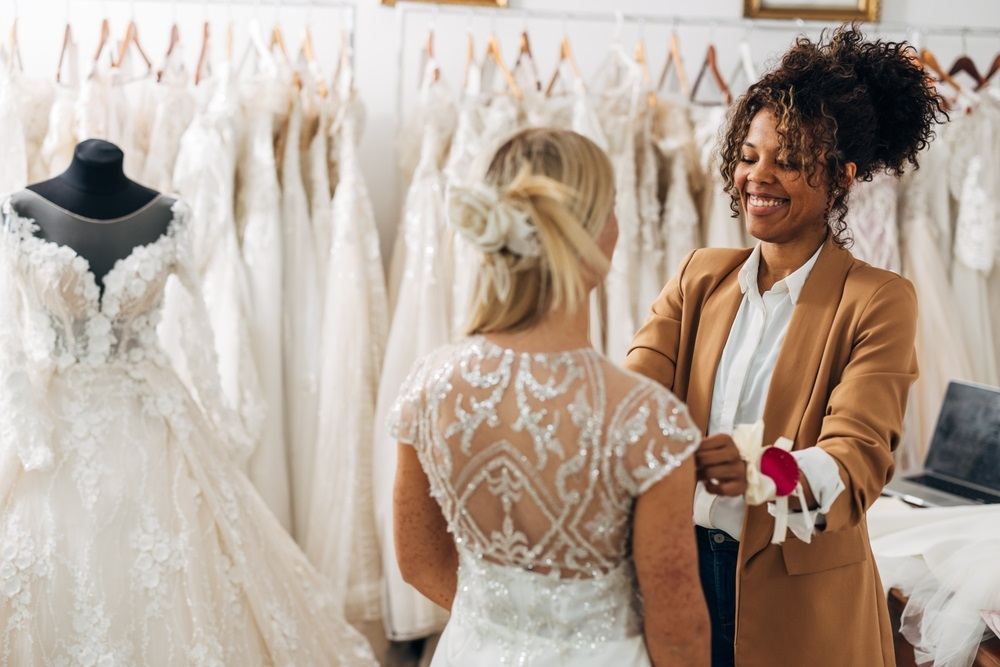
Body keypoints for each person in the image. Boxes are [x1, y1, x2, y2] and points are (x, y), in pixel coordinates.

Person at [624, 25, 948, 667]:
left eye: (790, 160)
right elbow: (631, 393)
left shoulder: (879, 300)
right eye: (748, 156)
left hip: (802, 613)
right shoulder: (698, 277)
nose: (759, 177)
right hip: (679, 577)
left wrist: (762, 471)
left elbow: (857, 459)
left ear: (841, 177)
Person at [0, 140, 378, 665]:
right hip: (50, 423)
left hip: (150, 415)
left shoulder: (170, 214)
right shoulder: (19, 209)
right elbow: (8, 338)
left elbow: (198, 328)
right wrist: (23, 422)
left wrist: (218, 413)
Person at [390, 127, 711, 666]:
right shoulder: (646, 419)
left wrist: (505, 627)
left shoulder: (429, 386)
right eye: (611, 209)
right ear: (589, 234)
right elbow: (678, 632)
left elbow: (418, 561)